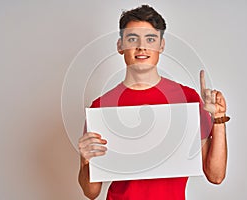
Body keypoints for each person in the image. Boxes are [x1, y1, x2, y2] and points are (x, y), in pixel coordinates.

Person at [78, 5, 228, 200]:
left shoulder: (187, 99)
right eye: (132, 39)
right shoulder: (101, 107)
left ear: (161, 45)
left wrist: (218, 118)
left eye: (150, 39)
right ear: (120, 46)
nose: (142, 47)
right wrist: (85, 160)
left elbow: (215, 176)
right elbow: (91, 192)